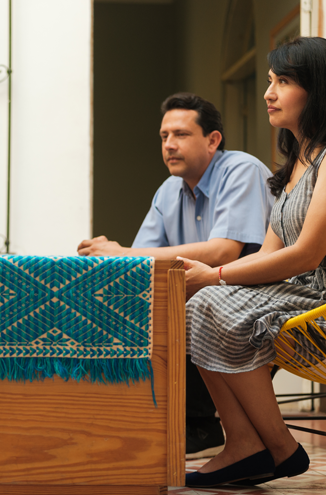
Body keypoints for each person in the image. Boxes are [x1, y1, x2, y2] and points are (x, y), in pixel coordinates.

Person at [180, 37, 326, 488]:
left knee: (210, 300)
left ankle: (279, 448)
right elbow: (269, 255)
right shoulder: (300, 160)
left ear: (319, 91)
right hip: (311, 289)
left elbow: (305, 254)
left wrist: (217, 274)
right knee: (200, 305)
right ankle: (244, 443)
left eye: (283, 82)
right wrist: (209, 282)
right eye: (270, 81)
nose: (269, 93)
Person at [78, 92, 274, 460]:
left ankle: (199, 425)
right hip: (208, 304)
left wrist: (124, 253)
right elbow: (137, 266)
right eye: (164, 136)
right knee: (130, 300)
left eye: (181, 134)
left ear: (212, 140)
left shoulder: (241, 170)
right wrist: (106, 258)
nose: (169, 145)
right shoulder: (169, 190)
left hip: (254, 301)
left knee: (193, 304)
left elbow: (223, 252)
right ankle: (130, 417)